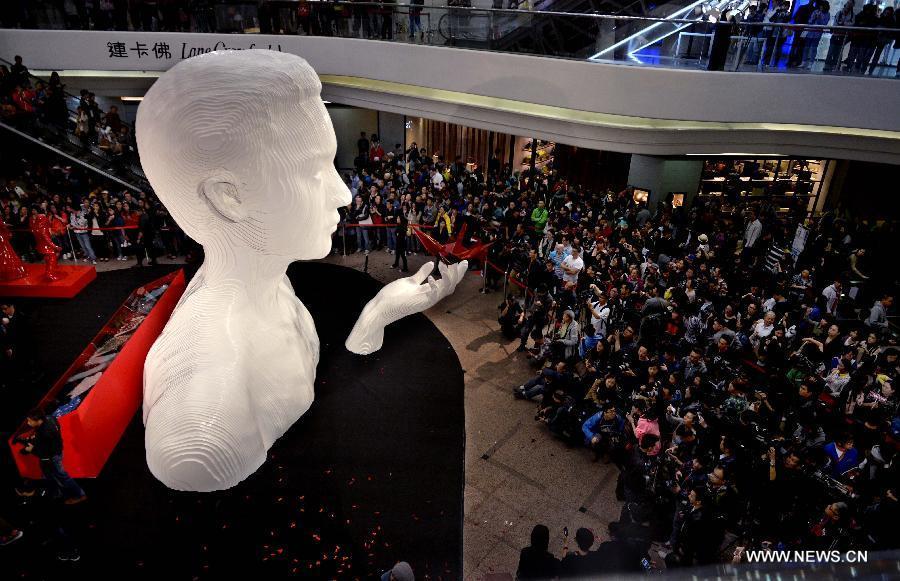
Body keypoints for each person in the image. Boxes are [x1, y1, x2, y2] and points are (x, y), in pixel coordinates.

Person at [21, 410, 87, 504]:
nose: (28, 423)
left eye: (30, 421)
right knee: (50, 475)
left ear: (38, 420)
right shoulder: (50, 418)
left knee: (63, 476)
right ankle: (57, 492)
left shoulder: (45, 433)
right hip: (57, 451)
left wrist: (31, 450)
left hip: (52, 457)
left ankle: (80, 495)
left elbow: (44, 453)